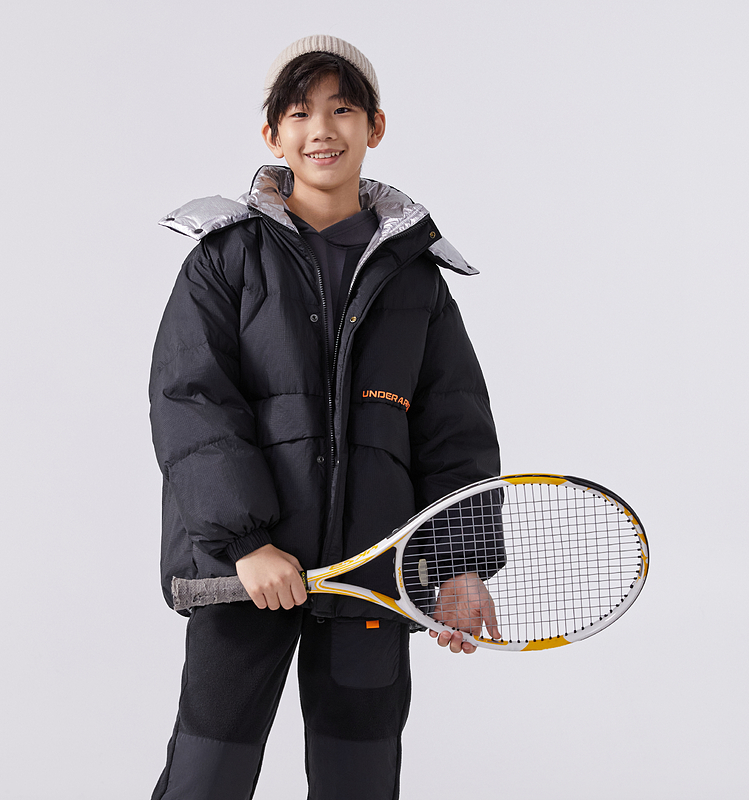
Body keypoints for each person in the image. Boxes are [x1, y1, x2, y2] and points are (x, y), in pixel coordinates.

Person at [149, 34, 500, 800]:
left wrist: (460, 562)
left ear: (375, 126)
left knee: (359, 781)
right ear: (272, 134)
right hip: (245, 578)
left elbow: (454, 430)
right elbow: (191, 401)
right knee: (207, 777)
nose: (322, 130)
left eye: (342, 110)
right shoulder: (225, 258)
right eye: (300, 112)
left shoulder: (418, 279)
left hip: (368, 576)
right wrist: (246, 544)